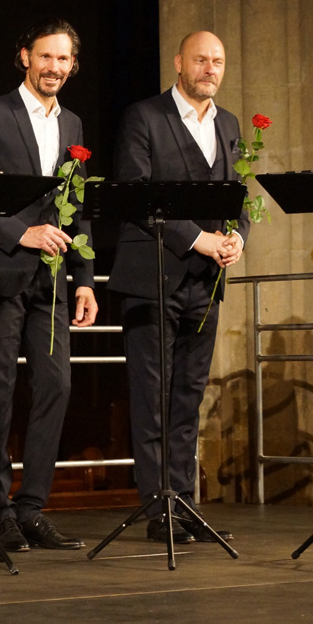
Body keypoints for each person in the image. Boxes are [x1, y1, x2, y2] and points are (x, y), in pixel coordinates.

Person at [0, 18, 97, 553]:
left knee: (57, 385)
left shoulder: (74, 124)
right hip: (1, 271)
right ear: (25, 58)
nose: (54, 67)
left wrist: (84, 279)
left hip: (53, 281)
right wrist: (21, 233)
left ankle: (32, 507)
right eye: (46, 57)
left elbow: (77, 207)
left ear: (72, 66)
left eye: (64, 59)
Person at [107, 30, 249, 544]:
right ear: (179, 62)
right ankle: (157, 508)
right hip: (153, 279)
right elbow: (137, 195)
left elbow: (240, 196)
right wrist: (199, 240)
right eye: (201, 60)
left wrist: (235, 239)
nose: (210, 69)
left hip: (205, 284)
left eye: (218, 61)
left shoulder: (229, 125)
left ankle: (184, 503)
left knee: (188, 395)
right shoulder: (145, 117)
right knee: (154, 394)